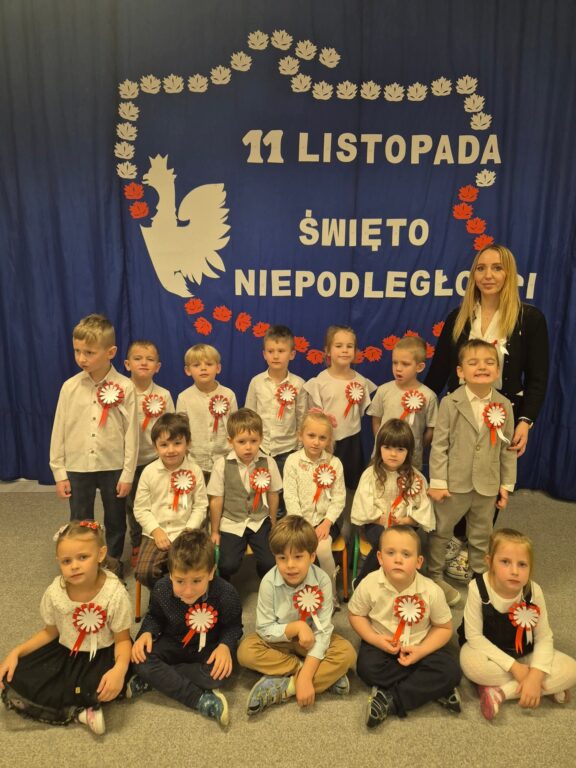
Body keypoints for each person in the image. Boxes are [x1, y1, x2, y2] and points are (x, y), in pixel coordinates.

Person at [425, 244, 549, 576]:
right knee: (457, 478)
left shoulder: (529, 319)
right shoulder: (459, 317)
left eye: (496, 268)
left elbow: (538, 378)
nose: (488, 275)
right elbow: (438, 371)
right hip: (461, 412)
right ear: (473, 275)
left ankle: (472, 547)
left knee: (487, 479)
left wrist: (525, 422)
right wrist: (417, 408)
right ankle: (451, 540)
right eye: (481, 268)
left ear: (509, 273)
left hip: (503, 415)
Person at [0, 521, 132, 735]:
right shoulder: (55, 592)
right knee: (17, 675)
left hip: (102, 653)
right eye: (66, 561)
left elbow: (123, 640)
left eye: (83, 557)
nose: (74, 566)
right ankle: (82, 711)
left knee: (100, 683)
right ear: (58, 562)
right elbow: (50, 632)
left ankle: (86, 705)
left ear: (100, 554)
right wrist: (17, 652)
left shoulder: (114, 594)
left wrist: (119, 669)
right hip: (66, 651)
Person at [427, 340, 517, 606]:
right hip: (453, 484)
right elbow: (439, 445)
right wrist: (438, 482)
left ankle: (480, 576)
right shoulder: (450, 403)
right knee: (442, 530)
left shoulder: (504, 405)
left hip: (486, 485)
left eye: (489, 363)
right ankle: (434, 575)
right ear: (460, 371)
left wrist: (506, 485)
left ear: (497, 371)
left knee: (481, 534)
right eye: (473, 363)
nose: (482, 367)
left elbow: (507, 449)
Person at [237, 516, 356, 715]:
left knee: (347, 653)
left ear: (312, 556)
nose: (290, 565)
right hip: (280, 641)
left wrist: (305, 677)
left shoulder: (322, 581)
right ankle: (317, 674)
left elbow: (323, 631)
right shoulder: (268, 582)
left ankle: (288, 686)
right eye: (282, 558)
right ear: (275, 557)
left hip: (311, 641)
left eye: (298, 557)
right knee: (245, 651)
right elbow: (264, 629)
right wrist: (297, 628)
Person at [348, 526, 461, 728]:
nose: (398, 559)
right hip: (381, 644)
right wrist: (375, 639)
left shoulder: (431, 591)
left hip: (421, 645)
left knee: (451, 671)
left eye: (406, 554)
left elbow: (444, 628)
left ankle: (390, 699)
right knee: (366, 669)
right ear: (380, 558)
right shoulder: (369, 584)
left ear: (419, 562)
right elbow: (356, 615)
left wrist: (422, 650)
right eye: (391, 553)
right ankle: (431, 687)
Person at [49, 314, 139, 568]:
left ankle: (112, 563)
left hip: (113, 465)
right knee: (80, 519)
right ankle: (85, 564)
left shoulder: (126, 387)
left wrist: (128, 474)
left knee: (115, 519)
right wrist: (59, 472)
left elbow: (131, 434)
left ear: (111, 352)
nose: (82, 358)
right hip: (78, 466)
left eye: (89, 352)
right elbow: (59, 430)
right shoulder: (69, 387)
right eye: (77, 351)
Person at [459, 528, 576, 720]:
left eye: (522, 564)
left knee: (571, 669)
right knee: (471, 665)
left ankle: (501, 692)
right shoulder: (477, 589)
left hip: (524, 652)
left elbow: (544, 637)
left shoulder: (534, 591)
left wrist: (535, 675)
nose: (514, 571)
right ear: (489, 561)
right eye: (505, 562)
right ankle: (543, 686)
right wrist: (515, 667)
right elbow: (474, 637)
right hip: (488, 654)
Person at [129, 529, 242, 727]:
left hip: (208, 647)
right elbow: (154, 616)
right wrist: (146, 632)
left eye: (197, 581)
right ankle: (199, 699)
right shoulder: (162, 588)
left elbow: (233, 627)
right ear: (171, 574)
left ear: (211, 573)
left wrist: (225, 646)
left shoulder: (226, 593)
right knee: (140, 659)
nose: (188, 590)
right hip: (173, 641)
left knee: (221, 673)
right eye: (180, 581)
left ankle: (159, 679)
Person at [351, 419, 435, 583]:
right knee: (385, 541)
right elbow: (363, 505)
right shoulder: (370, 475)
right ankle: (363, 582)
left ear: (408, 452)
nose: (393, 454)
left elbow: (423, 509)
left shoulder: (416, 478)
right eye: (387, 448)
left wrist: (405, 520)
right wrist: (382, 519)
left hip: (405, 525)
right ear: (379, 448)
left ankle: (405, 582)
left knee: (408, 544)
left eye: (400, 449)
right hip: (376, 524)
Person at [134, 413, 208, 589]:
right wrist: (156, 530)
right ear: (155, 447)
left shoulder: (195, 471)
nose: (171, 450)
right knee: (144, 572)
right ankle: (164, 594)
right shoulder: (149, 472)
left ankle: (182, 593)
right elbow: (141, 509)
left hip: (187, 532)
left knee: (193, 569)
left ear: (188, 443)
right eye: (164, 445)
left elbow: (200, 506)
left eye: (177, 443)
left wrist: (188, 530)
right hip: (156, 533)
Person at [207, 408, 281, 580]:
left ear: (261, 439)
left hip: (259, 521)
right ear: (230, 441)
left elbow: (273, 494)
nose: (248, 447)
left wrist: (273, 523)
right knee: (227, 564)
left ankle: (266, 581)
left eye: (254, 441)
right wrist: (215, 531)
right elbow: (216, 500)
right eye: (241, 442)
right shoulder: (221, 465)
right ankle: (225, 588)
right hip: (231, 522)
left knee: (270, 562)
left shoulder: (268, 462)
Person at [283, 409, 346, 606]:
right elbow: (290, 496)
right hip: (299, 521)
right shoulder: (292, 461)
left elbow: (339, 498)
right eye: (311, 436)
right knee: (297, 549)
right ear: (300, 435)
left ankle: (330, 593)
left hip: (327, 521)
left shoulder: (335, 463)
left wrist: (327, 522)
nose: (316, 442)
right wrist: (302, 525)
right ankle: (300, 591)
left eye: (322, 438)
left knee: (323, 549)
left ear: (328, 440)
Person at [304, 325, 376, 494]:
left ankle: (349, 511)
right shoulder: (319, 382)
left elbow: (359, 413)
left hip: (352, 442)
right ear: (327, 351)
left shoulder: (361, 382)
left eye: (349, 346)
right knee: (324, 480)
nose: (344, 350)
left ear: (355, 351)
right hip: (325, 442)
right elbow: (314, 417)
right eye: (338, 346)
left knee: (350, 484)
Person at [245, 324, 307, 517]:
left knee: (286, 495)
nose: (276, 356)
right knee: (260, 491)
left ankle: (283, 529)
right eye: (271, 351)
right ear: (264, 354)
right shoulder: (256, 382)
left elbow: (302, 418)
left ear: (292, 354)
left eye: (281, 351)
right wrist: (252, 445)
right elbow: (249, 416)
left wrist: (298, 448)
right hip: (261, 449)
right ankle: (265, 526)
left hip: (287, 450)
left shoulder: (299, 384)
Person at [124, 339, 175, 568]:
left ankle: (160, 536)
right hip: (127, 461)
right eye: (137, 358)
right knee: (133, 505)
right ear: (127, 364)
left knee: (157, 501)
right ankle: (137, 542)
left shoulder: (164, 395)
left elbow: (171, 427)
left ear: (158, 367)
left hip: (155, 460)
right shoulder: (119, 392)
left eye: (150, 359)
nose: (143, 363)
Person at [367, 335, 438, 470]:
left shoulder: (429, 396)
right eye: (395, 363)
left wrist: (416, 445)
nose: (398, 368)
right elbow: (376, 420)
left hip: (411, 461)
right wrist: (383, 442)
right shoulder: (383, 391)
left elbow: (431, 429)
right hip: (382, 459)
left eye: (405, 364)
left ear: (419, 367)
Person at [176, 343, 238, 482]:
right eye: (196, 365)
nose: (203, 368)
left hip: (225, 462)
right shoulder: (184, 397)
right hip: (195, 463)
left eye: (209, 364)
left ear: (218, 368)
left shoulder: (229, 395)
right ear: (188, 370)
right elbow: (180, 432)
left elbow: (236, 429)